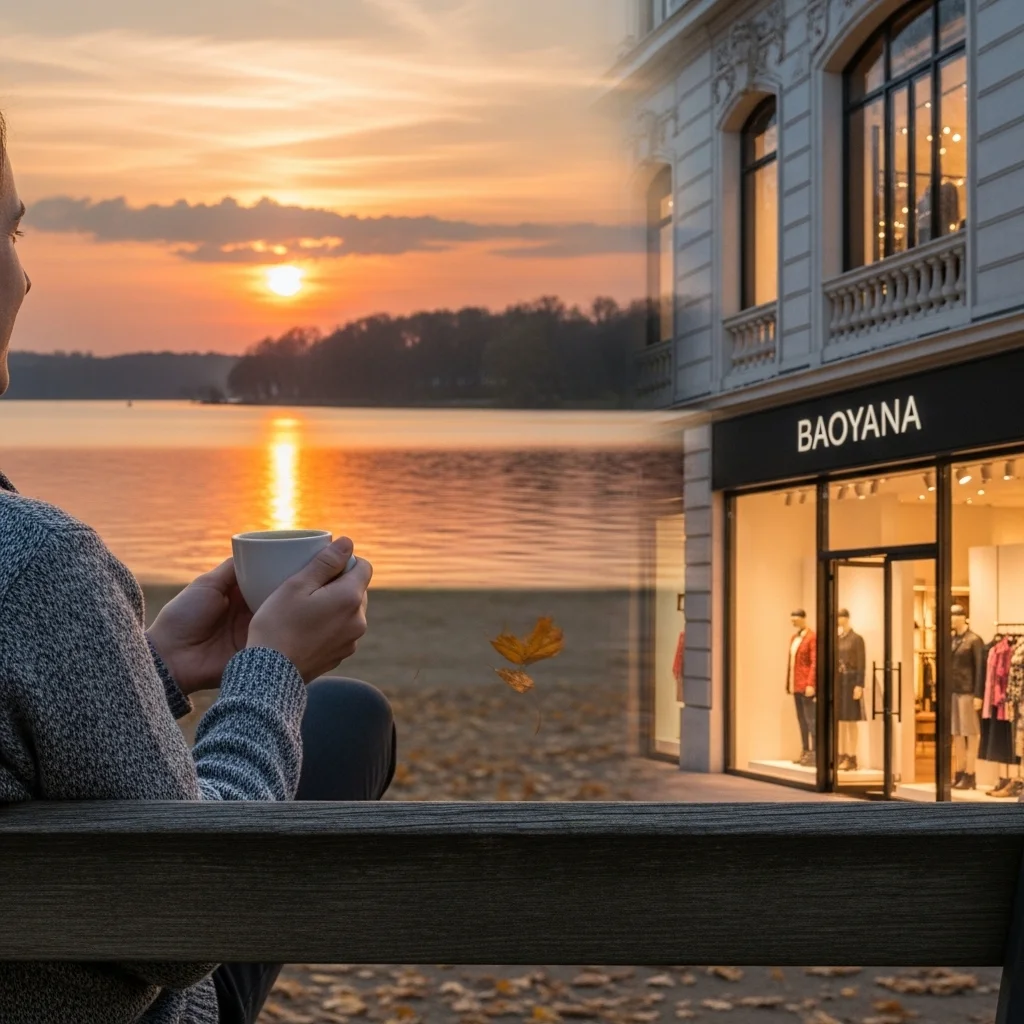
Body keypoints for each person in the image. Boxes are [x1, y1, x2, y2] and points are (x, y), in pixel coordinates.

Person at [0, 111, 396, 1023]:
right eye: (9, 230)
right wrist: (271, 672)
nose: (25, 274)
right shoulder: (36, 568)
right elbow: (187, 916)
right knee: (349, 715)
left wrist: (146, 669)